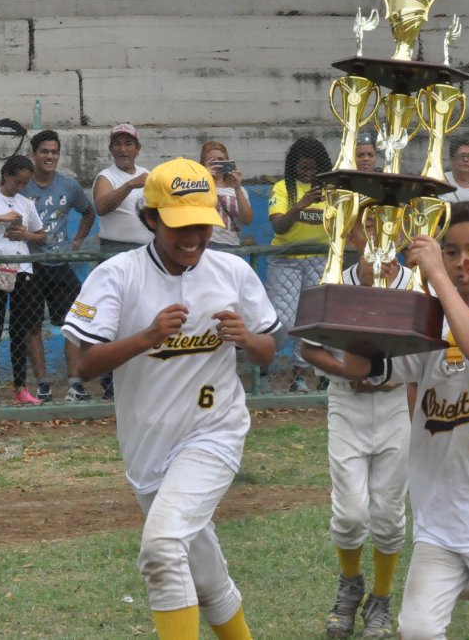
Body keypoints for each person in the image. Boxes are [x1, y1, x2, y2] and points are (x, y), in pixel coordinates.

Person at [62, 157, 279, 640]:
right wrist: (145, 337)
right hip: (147, 448)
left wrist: (246, 338)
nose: (193, 237)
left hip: (213, 434)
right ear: (150, 218)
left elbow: (269, 352)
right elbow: (84, 364)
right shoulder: (118, 275)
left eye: (202, 224)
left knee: (161, 550)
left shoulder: (232, 272)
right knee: (204, 572)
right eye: (180, 225)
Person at [336, 221, 469, 639]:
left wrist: (437, 276)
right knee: (416, 630)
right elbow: (361, 367)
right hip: (440, 520)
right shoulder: (437, 326)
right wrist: (366, 305)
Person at [299, 211, 410, 639]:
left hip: (396, 403)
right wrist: (351, 373)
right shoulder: (336, 282)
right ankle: (350, 586)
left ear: (401, 235)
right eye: (367, 226)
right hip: (348, 404)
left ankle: (380, 600)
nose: (377, 237)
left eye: (387, 227)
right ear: (350, 233)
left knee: (388, 514)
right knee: (349, 514)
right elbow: (310, 349)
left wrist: (385, 374)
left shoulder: (414, 285)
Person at [22, 130, 96, 402]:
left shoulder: (69, 186)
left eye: (54, 152)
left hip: (60, 264)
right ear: (34, 154)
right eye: (44, 151)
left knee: (73, 324)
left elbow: (88, 212)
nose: (49, 156)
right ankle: (43, 384)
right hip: (29, 266)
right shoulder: (23, 185)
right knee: (31, 326)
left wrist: (77, 242)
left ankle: (75, 385)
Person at [0, 154, 47, 405]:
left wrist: (25, 234)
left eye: (25, 183)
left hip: (22, 268)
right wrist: (1, 218)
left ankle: (20, 388)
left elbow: (41, 235)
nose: (20, 187)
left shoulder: (26, 203)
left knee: (20, 329)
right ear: (7, 175)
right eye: (18, 181)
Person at [266, 137, 332, 393]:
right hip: (286, 260)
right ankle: (262, 363)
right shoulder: (284, 188)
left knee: (311, 322)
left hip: (319, 260)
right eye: (302, 168)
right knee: (283, 318)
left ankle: (299, 375)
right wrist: (301, 205)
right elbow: (279, 226)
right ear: (294, 166)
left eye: (312, 168)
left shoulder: (330, 190)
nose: (307, 173)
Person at [93, 123, 151, 251]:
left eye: (128, 143)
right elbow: (101, 208)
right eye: (117, 144)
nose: (122, 149)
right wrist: (129, 185)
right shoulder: (106, 177)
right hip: (115, 249)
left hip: (146, 249)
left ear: (138, 148)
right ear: (111, 149)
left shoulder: (147, 173)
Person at [199, 141, 252, 247]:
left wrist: (237, 188)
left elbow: (247, 220)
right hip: (206, 244)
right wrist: (204, 177)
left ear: (228, 162)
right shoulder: (198, 185)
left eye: (221, 160)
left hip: (231, 244)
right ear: (203, 164)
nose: (217, 163)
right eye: (212, 161)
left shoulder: (238, 189)